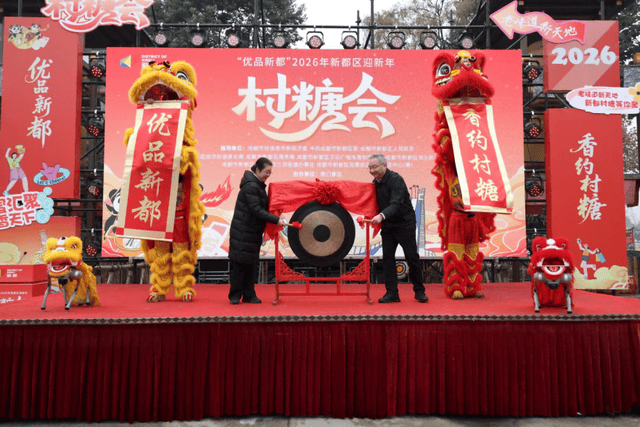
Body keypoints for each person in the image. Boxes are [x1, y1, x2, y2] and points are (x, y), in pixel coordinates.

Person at [369, 154, 428, 303]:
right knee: (388, 258)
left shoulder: (396, 180)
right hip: (388, 225)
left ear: (384, 165)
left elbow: (395, 203)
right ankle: (392, 293)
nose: (371, 171)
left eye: (374, 167)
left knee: (411, 256)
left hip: (404, 224)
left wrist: (381, 216)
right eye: (369, 168)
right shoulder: (375, 183)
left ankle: (419, 291)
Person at [228, 157, 285, 304]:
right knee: (240, 264)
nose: (268, 175)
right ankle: (235, 296)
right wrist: (276, 220)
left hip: (250, 232)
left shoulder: (257, 185)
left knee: (250, 264)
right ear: (257, 169)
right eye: (266, 171)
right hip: (243, 232)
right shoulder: (251, 186)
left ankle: (248, 295)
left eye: (270, 172)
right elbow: (257, 210)